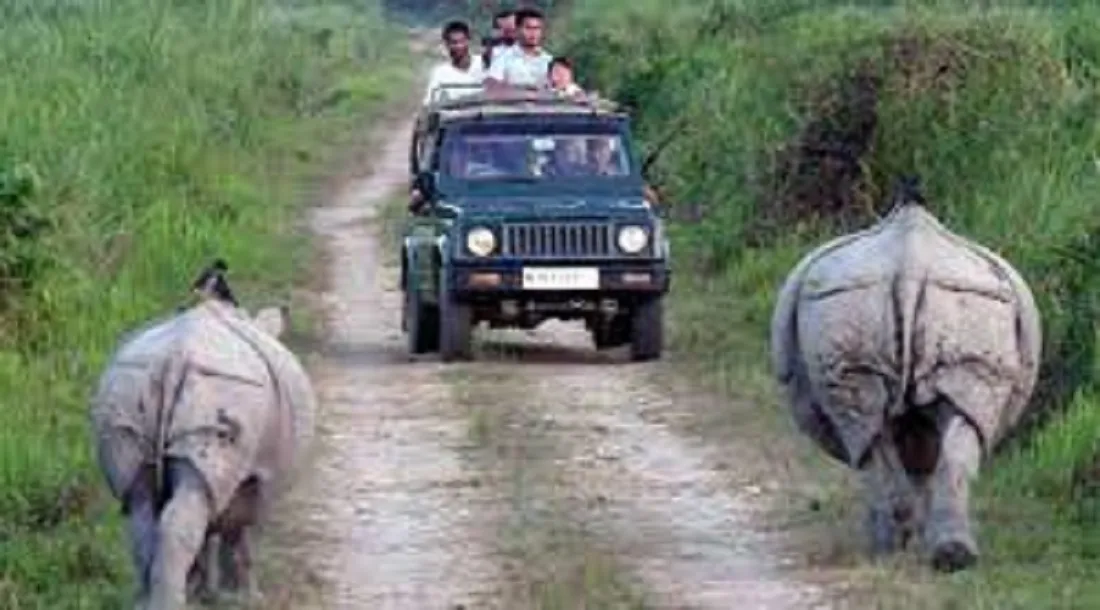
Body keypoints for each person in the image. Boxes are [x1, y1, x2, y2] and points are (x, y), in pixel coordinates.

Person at [483, 7, 552, 91]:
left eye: (537, 28)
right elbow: (491, 86)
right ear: (517, 29)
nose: (533, 33)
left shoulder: (548, 60)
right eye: (528, 28)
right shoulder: (503, 59)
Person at [422, 20, 485, 106]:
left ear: (469, 41)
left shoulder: (484, 64)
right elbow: (430, 103)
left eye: (462, 41)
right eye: (454, 43)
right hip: (456, 118)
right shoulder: (440, 73)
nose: (459, 46)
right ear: (447, 45)